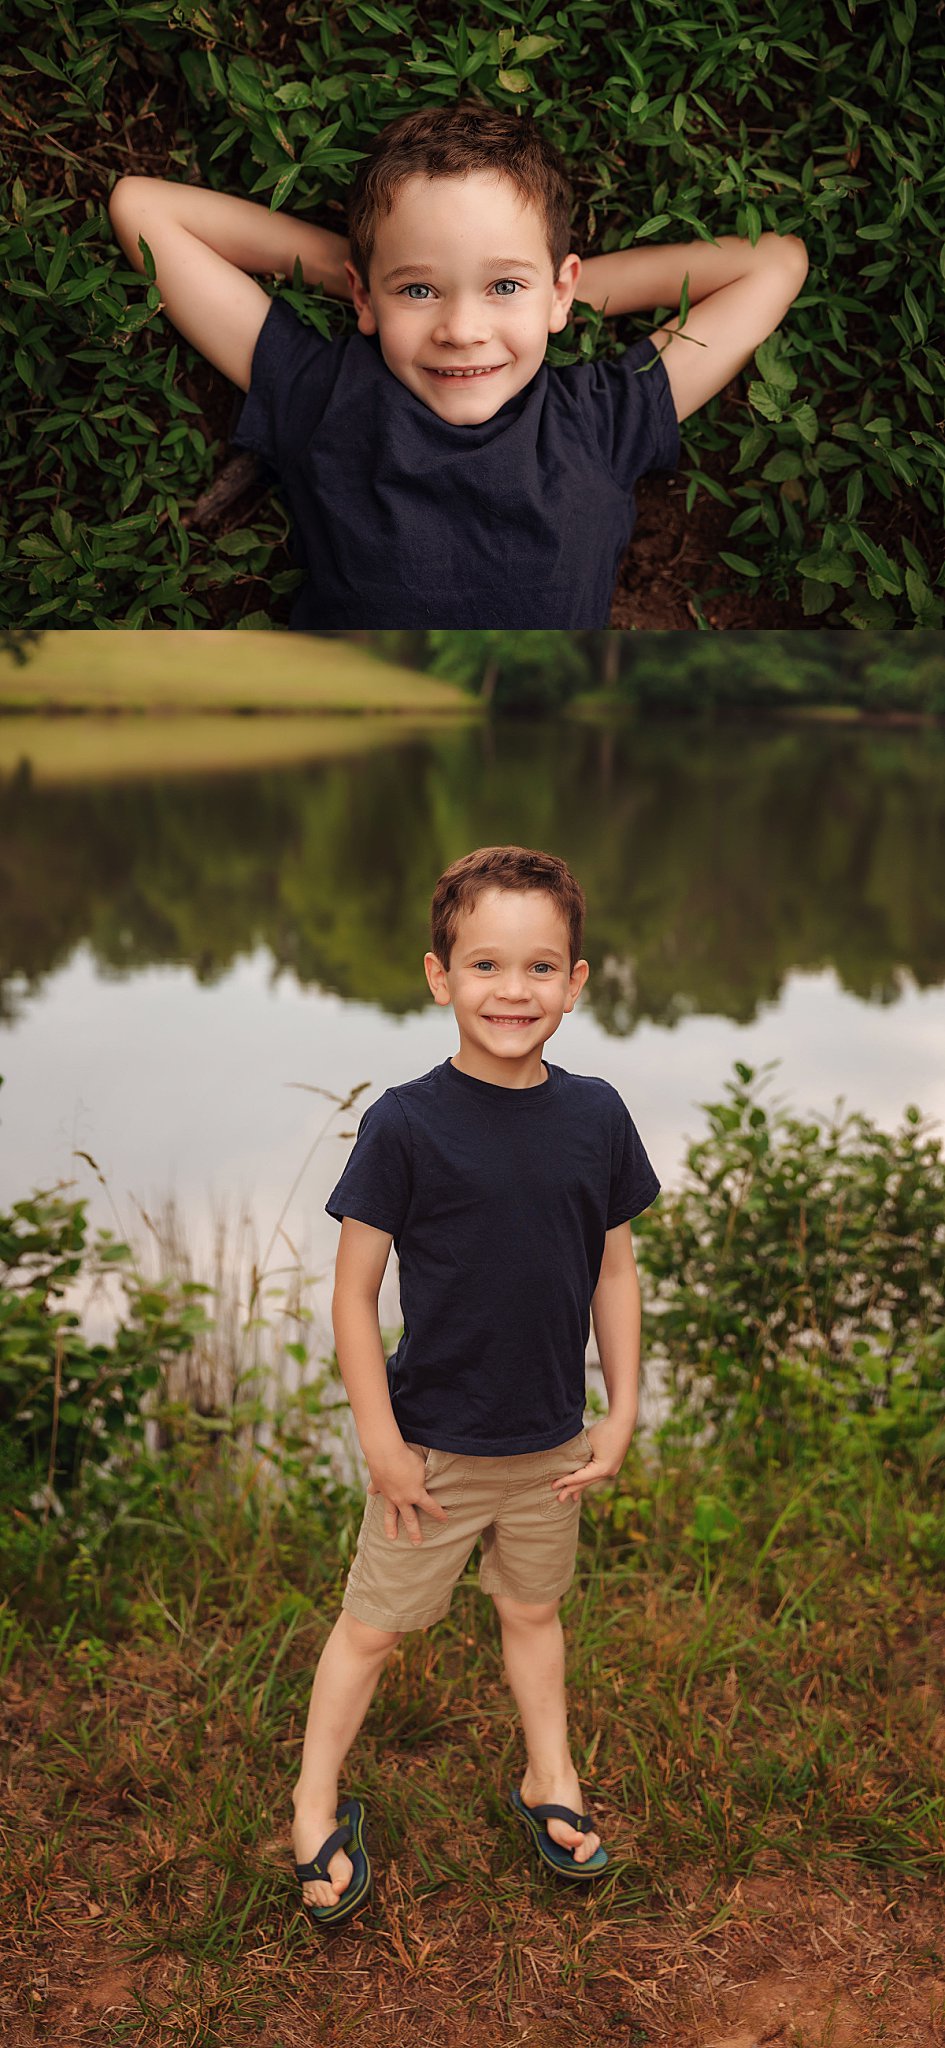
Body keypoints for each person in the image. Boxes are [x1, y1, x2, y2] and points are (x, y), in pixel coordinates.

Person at [291, 844, 660, 1924]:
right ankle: (313, 1802)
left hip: (549, 1442)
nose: (514, 989)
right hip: (435, 1449)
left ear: (577, 982)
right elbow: (354, 1294)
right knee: (372, 1625)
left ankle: (552, 1776)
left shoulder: (597, 1113)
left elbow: (615, 1268)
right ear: (438, 974)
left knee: (534, 1611)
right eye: (486, 964)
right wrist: (382, 1440)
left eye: (541, 967)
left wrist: (622, 1408)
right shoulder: (407, 1122)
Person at [107, 100, 808, 630]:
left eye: (501, 287)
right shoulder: (325, 396)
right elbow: (143, 209)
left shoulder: (599, 420)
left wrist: (545, 301)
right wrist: (366, 278)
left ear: (559, 288)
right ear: (364, 294)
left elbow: (772, 264)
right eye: (421, 290)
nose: (463, 331)